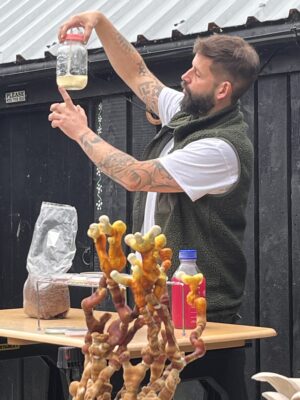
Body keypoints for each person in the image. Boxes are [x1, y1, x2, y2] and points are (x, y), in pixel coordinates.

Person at [49, 11, 260, 400]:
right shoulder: (189, 110)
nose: (185, 76)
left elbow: (134, 176)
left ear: (222, 90)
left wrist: (81, 132)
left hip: (199, 310)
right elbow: (138, 75)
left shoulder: (221, 149)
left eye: (196, 73)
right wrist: (100, 22)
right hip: (158, 301)